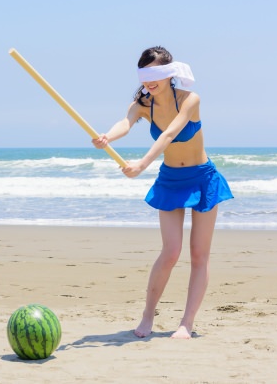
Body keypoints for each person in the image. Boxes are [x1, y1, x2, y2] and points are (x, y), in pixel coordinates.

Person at [93, 46, 233, 338]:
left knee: (199, 255)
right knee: (170, 252)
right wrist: (108, 136)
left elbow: (169, 133)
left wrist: (142, 164)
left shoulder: (190, 99)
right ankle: (147, 317)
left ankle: (186, 323)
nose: (148, 82)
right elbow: (126, 123)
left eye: (154, 75)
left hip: (202, 177)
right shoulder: (143, 104)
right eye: (144, 76)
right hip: (170, 179)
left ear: (170, 73)